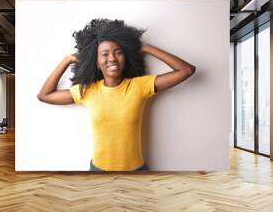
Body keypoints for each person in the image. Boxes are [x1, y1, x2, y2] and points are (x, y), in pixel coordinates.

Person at [37, 19, 196, 172]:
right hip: (98, 173)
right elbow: (44, 95)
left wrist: (147, 48)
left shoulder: (139, 86)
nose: (112, 58)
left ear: (126, 58)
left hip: (136, 173)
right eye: (104, 54)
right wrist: (67, 60)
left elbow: (186, 70)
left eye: (118, 52)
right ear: (97, 62)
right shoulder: (87, 91)